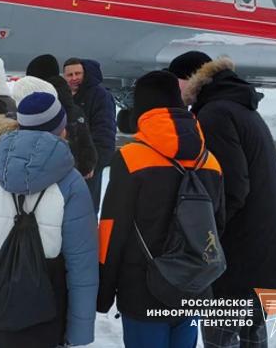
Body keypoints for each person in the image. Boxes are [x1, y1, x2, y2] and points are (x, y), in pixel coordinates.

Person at [172, 52, 276, 347]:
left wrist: (206, 238)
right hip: (265, 250)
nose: (174, 90)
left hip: (239, 256)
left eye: (175, 82)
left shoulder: (214, 114)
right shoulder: (237, 105)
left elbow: (230, 188)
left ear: (189, 79)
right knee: (252, 334)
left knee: (221, 336)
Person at [97, 71, 225, 348]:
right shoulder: (210, 161)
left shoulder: (131, 159)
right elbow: (217, 226)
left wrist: (103, 293)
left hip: (142, 290)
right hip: (192, 287)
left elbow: (112, 232)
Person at [0, 92, 98, 348]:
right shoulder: (71, 184)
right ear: (61, 130)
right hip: (46, 321)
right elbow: (82, 266)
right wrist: (79, 331)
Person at [27, 54, 98, 178]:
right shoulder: (71, 105)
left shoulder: (39, 106)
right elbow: (84, 139)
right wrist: (87, 165)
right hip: (71, 172)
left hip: (45, 173)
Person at [63, 58, 117, 214]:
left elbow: (105, 132)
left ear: (85, 74)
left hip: (89, 166)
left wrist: (94, 163)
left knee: (86, 210)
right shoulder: (65, 96)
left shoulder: (99, 96)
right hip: (67, 164)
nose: (74, 78)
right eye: (70, 75)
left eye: (78, 74)